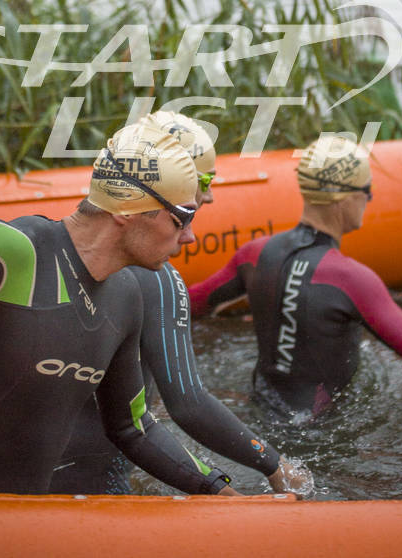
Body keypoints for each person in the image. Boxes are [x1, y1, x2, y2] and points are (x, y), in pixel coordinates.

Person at [0, 116, 240, 498]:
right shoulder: (13, 253)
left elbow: (133, 427)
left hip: (31, 529)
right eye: (182, 218)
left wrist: (222, 492)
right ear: (127, 211)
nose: (191, 236)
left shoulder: (126, 295)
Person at [50, 110, 311, 496]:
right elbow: (188, 404)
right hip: (97, 484)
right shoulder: (154, 276)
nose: (209, 194)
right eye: (204, 179)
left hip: (32, 474)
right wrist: (274, 465)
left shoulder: (66, 240)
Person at [189, 136, 402, 416]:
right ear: (343, 199)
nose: (369, 200)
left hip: (259, 415)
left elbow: (192, 304)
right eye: (366, 191)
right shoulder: (350, 279)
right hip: (320, 432)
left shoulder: (254, 255)